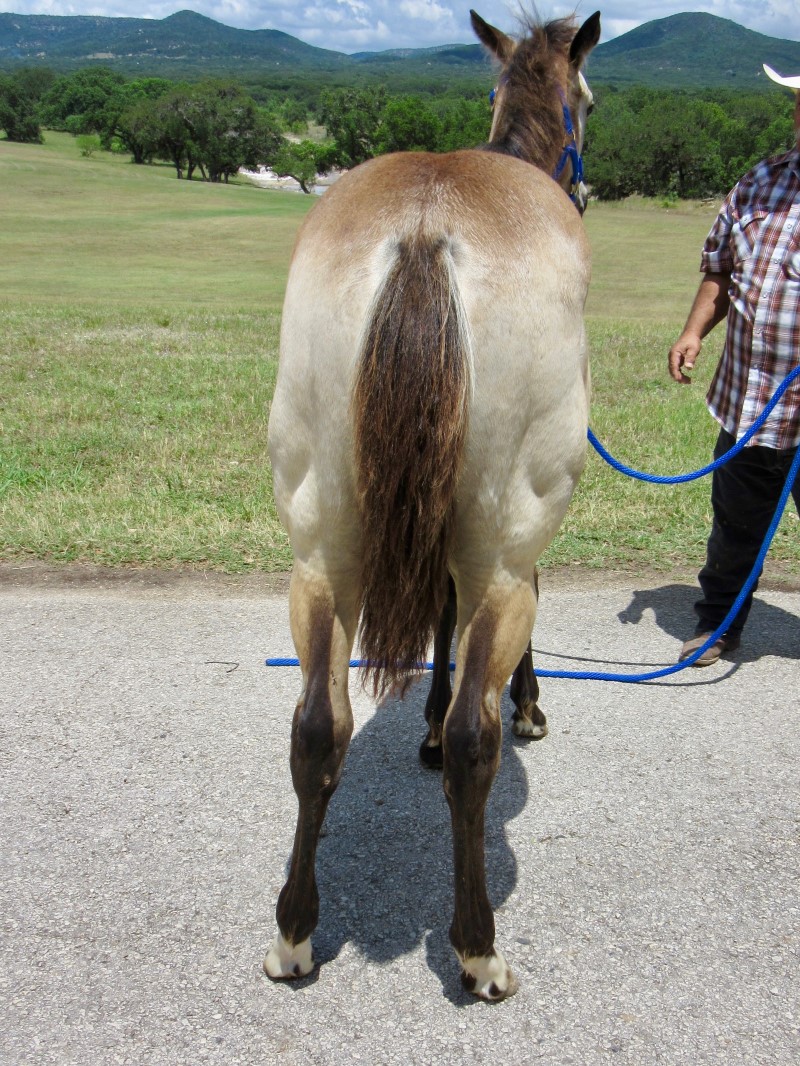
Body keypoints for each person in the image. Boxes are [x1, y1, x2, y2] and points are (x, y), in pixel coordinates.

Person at [668, 63, 800, 666]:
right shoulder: (760, 182)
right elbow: (721, 269)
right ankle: (719, 624)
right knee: (736, 525)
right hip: (750, 400)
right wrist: (695, 330)